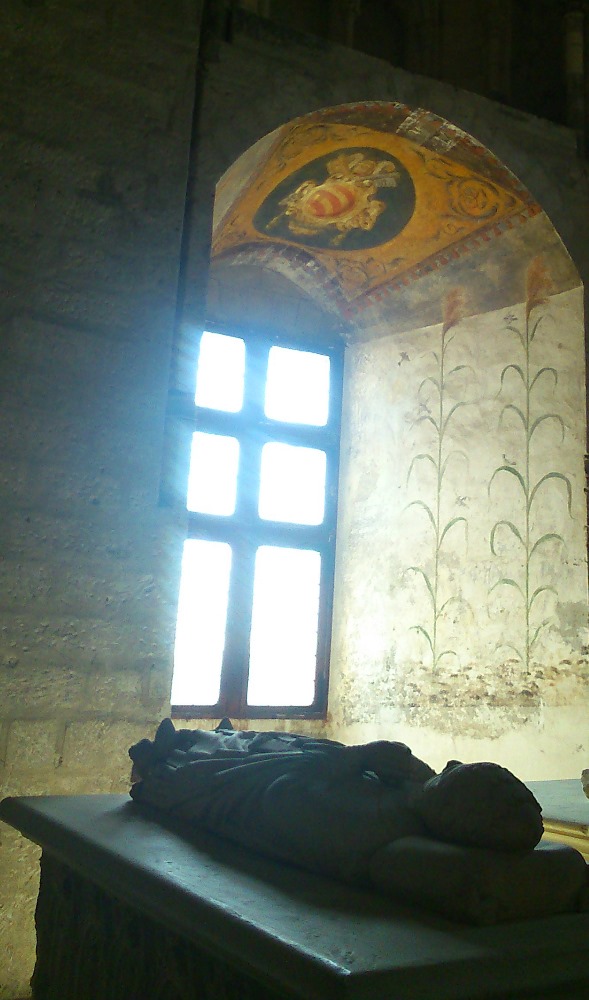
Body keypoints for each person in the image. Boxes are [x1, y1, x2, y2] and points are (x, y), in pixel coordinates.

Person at [129, 719, 588, 925]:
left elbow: (281, 798)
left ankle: (176, 749)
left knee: (202, 749)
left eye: (455, 774)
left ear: (453, 814)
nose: (446, 762)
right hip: (285, 761)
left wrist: (358, 758)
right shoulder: (414, 800)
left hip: (242, 779)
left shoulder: (372, 826)